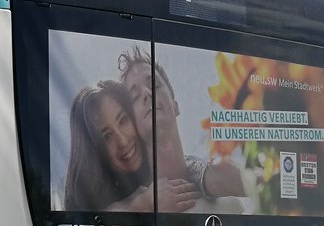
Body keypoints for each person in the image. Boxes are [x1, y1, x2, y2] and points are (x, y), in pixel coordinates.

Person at [119, 46, 244, 205]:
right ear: (133, 126)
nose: (146, 93)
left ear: (175, 106)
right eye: (135, 96)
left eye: (154, 85)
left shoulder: (228, 199)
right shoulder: (132, 207)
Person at [63, 80, 199, 212]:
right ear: (92, 153)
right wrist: (142, 205)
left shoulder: (178, 167)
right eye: (107, 136)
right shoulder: (89, 206)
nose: (122, 141)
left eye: (123, 120)